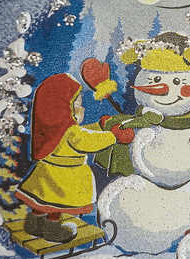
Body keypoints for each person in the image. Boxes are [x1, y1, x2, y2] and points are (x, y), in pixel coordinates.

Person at [15, 73, 116, 243]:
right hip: (62, 177)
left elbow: (82, 133)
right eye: (78, 103)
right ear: (64, 107)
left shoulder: (56, 129)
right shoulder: (71, 132)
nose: (82, 108)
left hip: (47, 172)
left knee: (43, 201)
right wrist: (112, 136)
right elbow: (87, 140)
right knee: (54, 204)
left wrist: (99, 127)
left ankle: (34, 222)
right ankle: (52, 228)